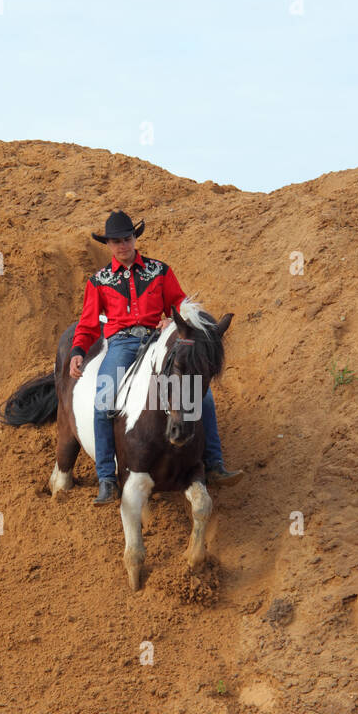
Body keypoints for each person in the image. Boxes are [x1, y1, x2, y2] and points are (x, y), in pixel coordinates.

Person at [68, 211, 243, 504]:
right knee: (103, 400)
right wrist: (77, 351)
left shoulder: (160, 271)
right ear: (108, 245)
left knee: (203, 396)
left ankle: (214, 465)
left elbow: (181, 304)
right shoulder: (99, 281)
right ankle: (107, 478)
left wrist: (173, 320)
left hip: (156, 341)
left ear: (135, 238)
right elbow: (87, 324)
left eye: (127, 238)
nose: (122, 245)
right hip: (121, 344)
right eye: (116, 241)